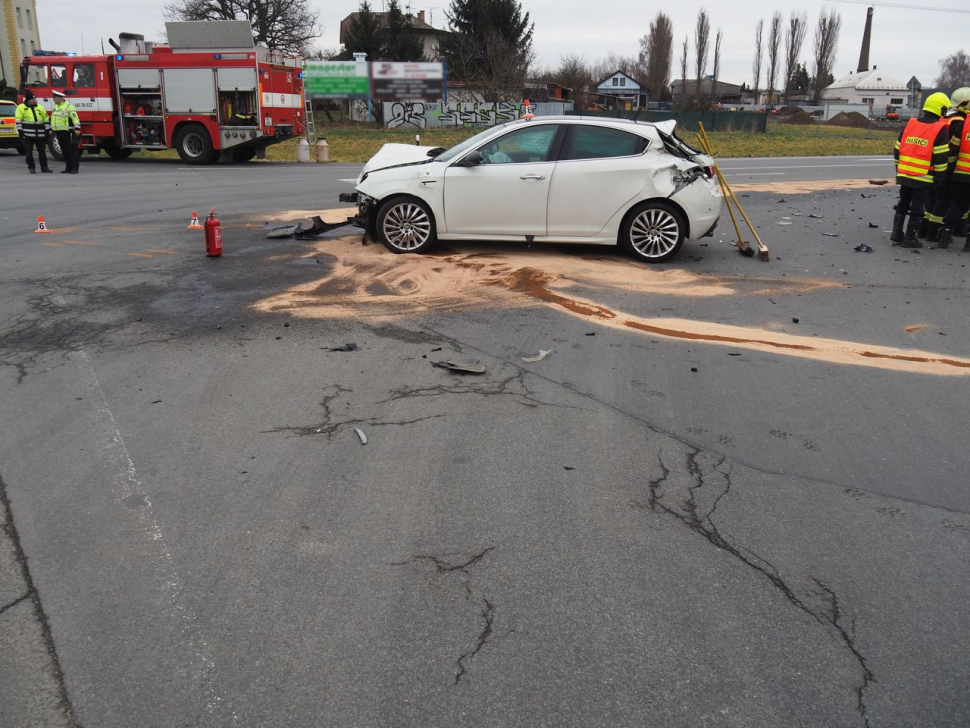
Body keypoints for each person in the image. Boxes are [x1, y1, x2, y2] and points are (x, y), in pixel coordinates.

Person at [891, 92, 951, 248]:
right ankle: (910, 238)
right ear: (941, 110)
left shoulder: (911, 123)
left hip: (904, 174)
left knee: (903, 202)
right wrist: (940, 177)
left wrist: (899, 167)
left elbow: (897, 148)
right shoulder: (939, 128)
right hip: (923, 177)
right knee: (917, 207)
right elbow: (941, 157)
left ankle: (896, 233)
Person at [938, 88, 970, 251]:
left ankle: (945, 236)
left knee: (956, 205)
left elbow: (953, 149)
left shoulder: (964, 124)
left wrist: (948, 171)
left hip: (960, 175)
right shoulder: (962, 121)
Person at [14, 91, 52, 174]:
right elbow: (18, 120)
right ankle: (32, 167)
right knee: (29, 152)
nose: (34, 100)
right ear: (28, 100)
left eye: (35, 98)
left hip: (40, 134)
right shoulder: (21, 108)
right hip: (28, 134)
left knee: (42, 152)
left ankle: (44, 167)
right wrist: (20, 132)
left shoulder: (40, 107)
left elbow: (45, 119)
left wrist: (47, 130)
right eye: (32, 99)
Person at [51, 90, 81, 174]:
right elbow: (54, 119)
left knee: (71, 151)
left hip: (68, 131)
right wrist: (52, 129)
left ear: (59, 98)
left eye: (54, 98)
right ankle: (68, 167)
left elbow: (75, 117)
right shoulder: (56, 106)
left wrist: (77, 128)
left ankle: (74, 168)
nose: (53, 100)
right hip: (59, 132)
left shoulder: (68, 106)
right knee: (64, 151)